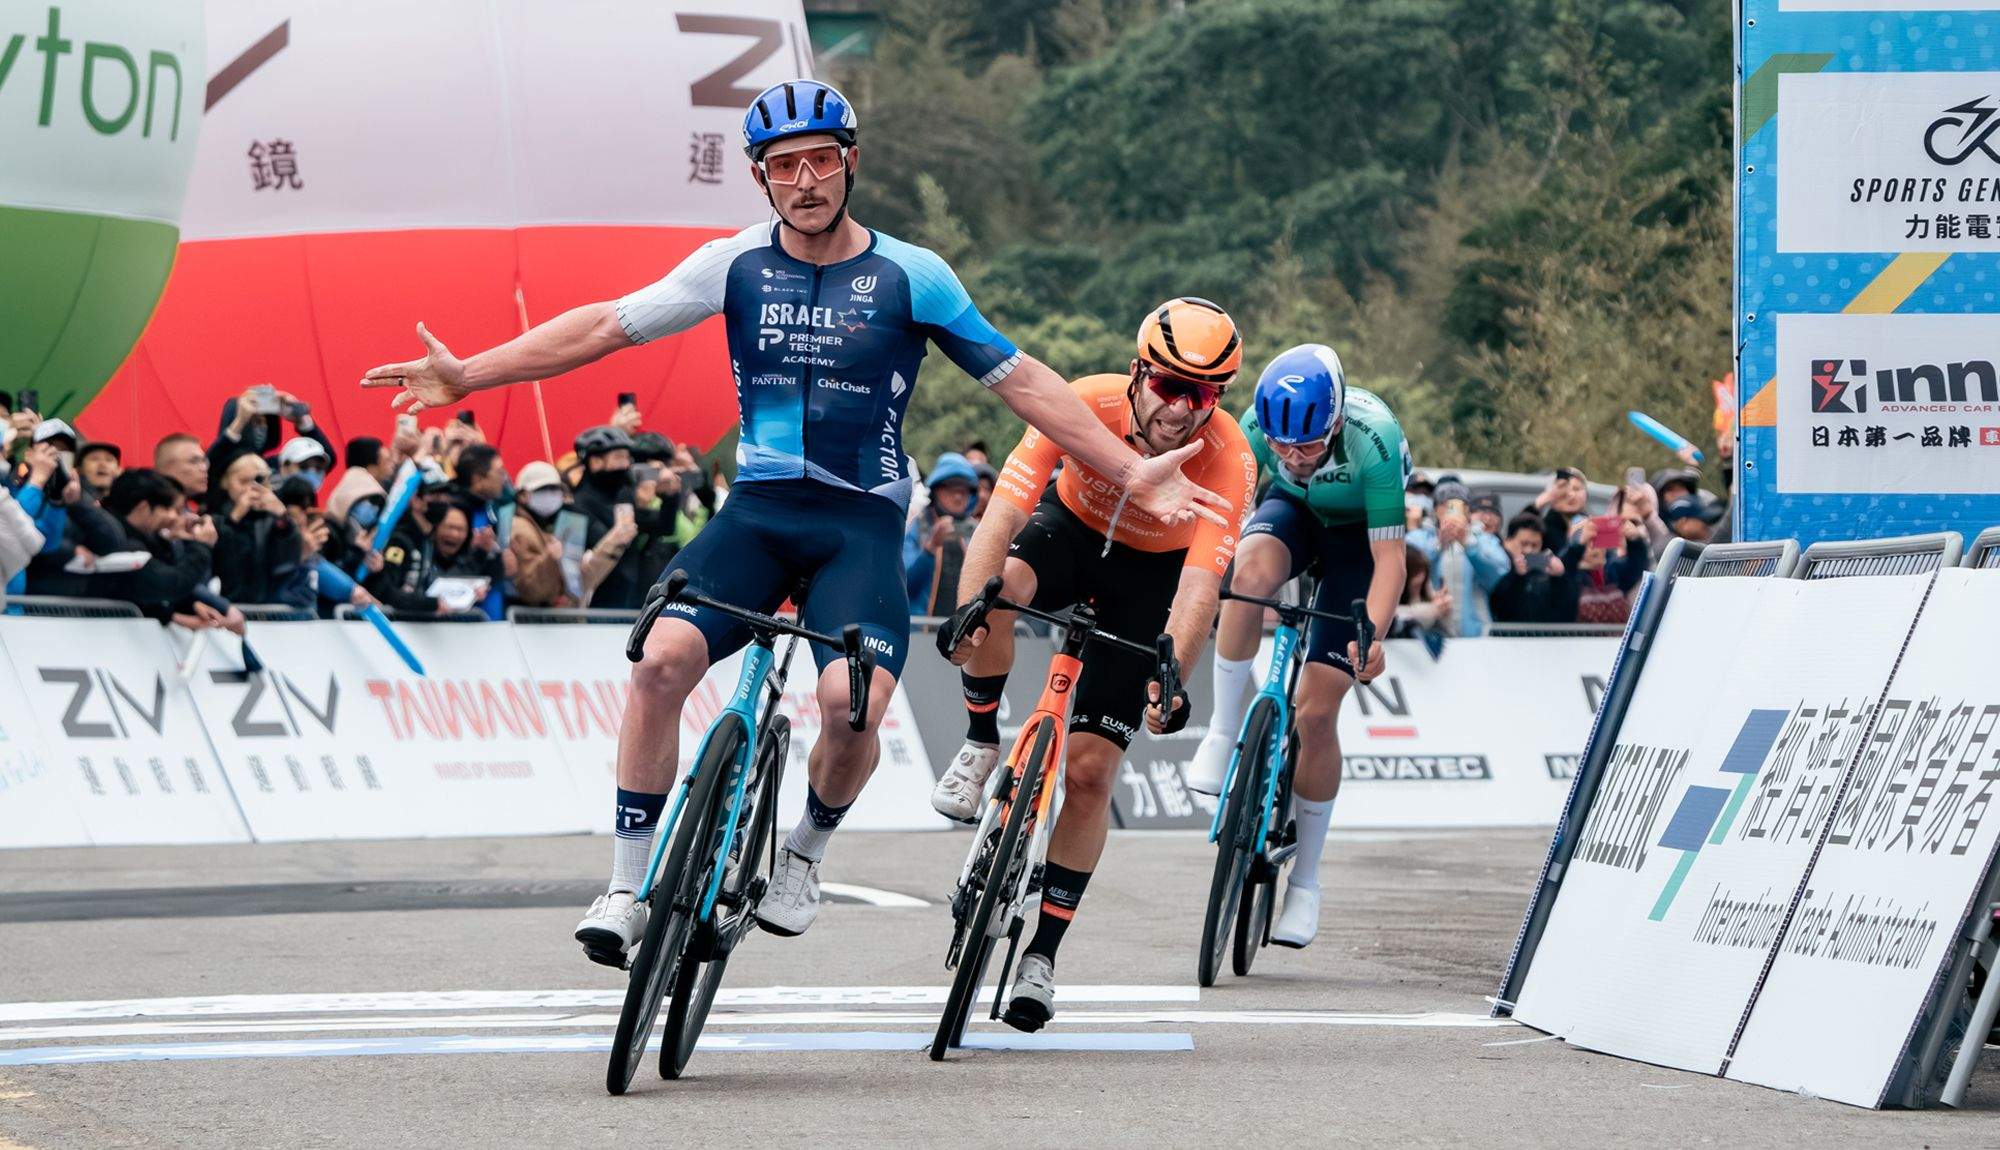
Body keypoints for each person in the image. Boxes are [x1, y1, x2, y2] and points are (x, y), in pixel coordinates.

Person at [361, 78, 1224, 965]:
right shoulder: (732, 265)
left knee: (853, 710)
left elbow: (1024, 381)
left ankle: (805, 854)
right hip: (759, 512)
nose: (804, 180)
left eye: (820, 161)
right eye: (783, 167)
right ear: (759, 177)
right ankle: (624, 886)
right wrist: (471, 374)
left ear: (850, 164)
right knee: (659, 661)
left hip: (858, 526)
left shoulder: (913, 275)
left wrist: (1128, 471)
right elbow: (604, 328)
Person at [932, 297, 1258, 1031]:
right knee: (1000, 593)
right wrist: (968, 607)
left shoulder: (1231, 459)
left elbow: (1200, 586)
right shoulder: (1084, 401)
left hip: (1148, 583)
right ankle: (982, 740)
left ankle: (1042, 955)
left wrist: (1173, 671)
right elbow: (1005, 515)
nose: (1181, 409)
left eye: (1201, 395)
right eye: (1169, 386)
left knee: (1088, 772)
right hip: (1069, 531)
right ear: (1140, 373)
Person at [1184, 343, 1410, 951]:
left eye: (1308, 446)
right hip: (1291, 517)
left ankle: (1305, 882)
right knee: (1249, 578)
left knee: (1315, 711)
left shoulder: (1375, 439)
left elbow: (1391, 560)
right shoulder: (1257, 432)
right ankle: (1224, 729)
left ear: (1335, 423)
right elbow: (1223, 523)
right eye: (1283, 447)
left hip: (1358, 541)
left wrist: (1372, 637)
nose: (1295, 457)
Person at [1407, 476, 1507, 637]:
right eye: (1446, 506)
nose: (1451, 511)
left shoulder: (1484, 539)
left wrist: (1469, 544)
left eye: (1458, 506)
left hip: (1476, 636)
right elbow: (1408, 570)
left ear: (1468, 511)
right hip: (1429, 633)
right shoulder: (1419, 537)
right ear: (1435, 510)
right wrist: (1438, 545)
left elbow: (1500, 576)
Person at [213, 453, 310, 607]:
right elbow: (220, 560)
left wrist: (283, 518)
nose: (251, 488)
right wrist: (235, 518)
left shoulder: (274, 521)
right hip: (228, 607)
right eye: (243, 481)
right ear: (227, 482)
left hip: (268, 609)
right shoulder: (216, 518)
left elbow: (287, 563)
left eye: (259, 481)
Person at [903, 451, 981, 615]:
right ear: (936, 490)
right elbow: (903, 585)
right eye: (952, 488)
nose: (959, 496)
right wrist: (930, 549)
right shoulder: (918, 526)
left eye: (965, 490)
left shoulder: (977, 532)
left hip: (962, 634)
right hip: (921, 633)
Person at [1489, 513, 1579, 623]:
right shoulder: (1497, 567)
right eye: (1524, 543)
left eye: (1535, 545)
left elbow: (1565, 611)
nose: (1529, 550)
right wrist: (1517, 576)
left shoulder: (1544, 575)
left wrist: (1559, 577)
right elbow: (1500, 607)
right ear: (1507, 542)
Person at [508, 462, 571, 607]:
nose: (551, 494)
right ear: (522, 495)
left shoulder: (542, 528)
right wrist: (550, 558)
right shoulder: (520, 529)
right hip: (527, 621)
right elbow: (532, 590)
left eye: (555, 489)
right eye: (543, 489)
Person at [154, 434, 211, 511]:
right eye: (194, 461)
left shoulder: (190, 514)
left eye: (203, 461)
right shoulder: (151, 517)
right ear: (167, 469)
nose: (204, 468)